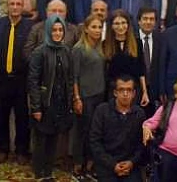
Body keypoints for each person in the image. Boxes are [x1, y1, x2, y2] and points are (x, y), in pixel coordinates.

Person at [28, 15, 74, 181]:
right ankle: (39, 172)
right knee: (41, 140)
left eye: (60, 30)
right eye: (54, 30)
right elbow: (33, 81)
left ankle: (48, 172)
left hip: (60, 103)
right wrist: (36, 107)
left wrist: (70, 101)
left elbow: (70, 78)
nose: (57, 33)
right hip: (44, 103)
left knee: (54, 138)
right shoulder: (39, 52)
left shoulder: (66, 51)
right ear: (48, 31)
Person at [0, 0, 34, 164]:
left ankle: (22, 150)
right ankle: (2, 149)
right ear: (7, 6)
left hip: (21, 80)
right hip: (0, 79)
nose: (15, 7)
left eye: (18, 4)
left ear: (22, 7)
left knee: (22, 117)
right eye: (12, 4)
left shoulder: (30, 26)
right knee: (1, 116)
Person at [89, 75, 146, 182]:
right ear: (115, 92)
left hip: (131, 166)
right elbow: (95, 142)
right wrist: (112, 165)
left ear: (134, 93)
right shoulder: (102, 111)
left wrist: (132, 162)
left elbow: (141, 144)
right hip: (106, 166)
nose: (125, 94)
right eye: (121, 90)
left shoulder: (139, 114)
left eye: (129, 90)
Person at [71, 14, 107, 180]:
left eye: (100, 27)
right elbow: (74, 76)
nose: (97, 30)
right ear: (86, 29)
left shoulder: (100, 47)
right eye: (94, 27)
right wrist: (77, 98)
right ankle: (78, 166)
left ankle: (90, 165)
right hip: (85, 97)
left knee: (95, 132)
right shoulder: (78, 49)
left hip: (99, 95)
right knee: (82, 132)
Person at [104, 10, 150, 107]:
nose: (120, 27)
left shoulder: (137, 43)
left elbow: (141, 70)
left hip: (133, 90)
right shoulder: (105, 44)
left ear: (128, 24)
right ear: (111, 26)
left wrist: (145, 92)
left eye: (123, 23)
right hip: (114, 91)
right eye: (116, 23)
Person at [137, 7, 164, 117]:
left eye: (151, 19)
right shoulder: (132, 38)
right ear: (139, 21)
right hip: (136, 89)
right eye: (145, 19)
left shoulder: (161, 39)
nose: (148, 22)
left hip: (154, 91)